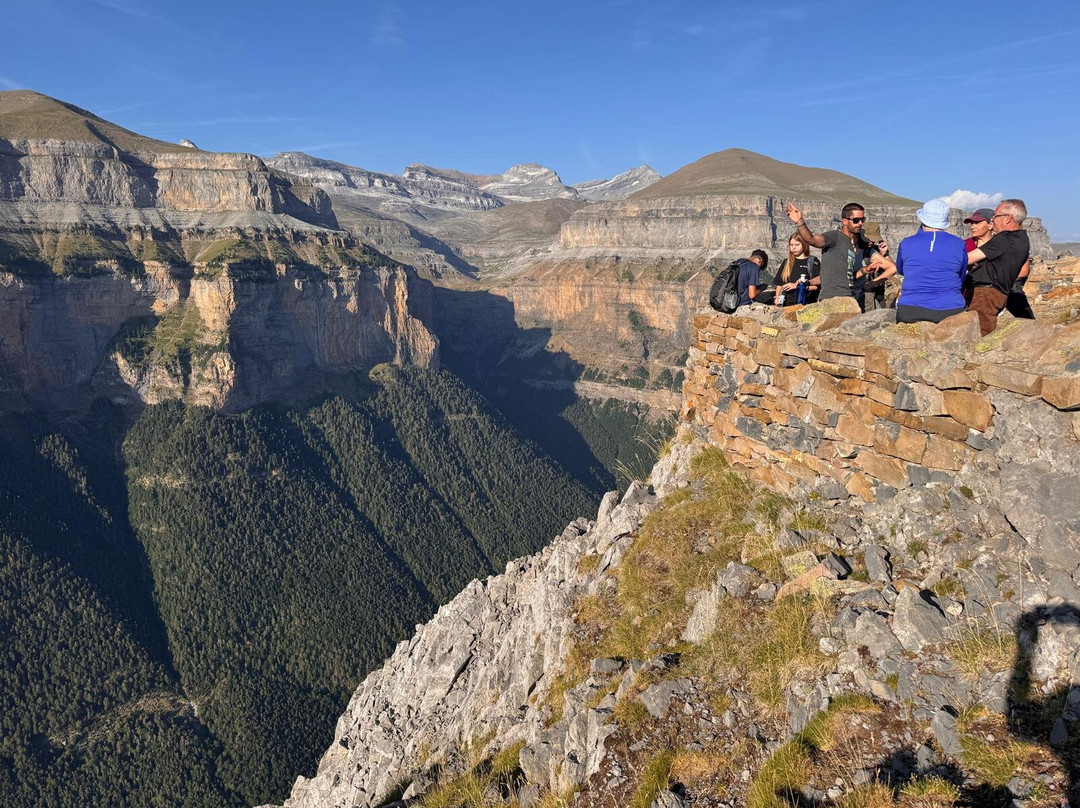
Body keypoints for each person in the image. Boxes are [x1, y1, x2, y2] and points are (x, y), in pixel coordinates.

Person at [866, 199, 967, 324]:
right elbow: (961, 276)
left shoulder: (906, 243)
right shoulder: (959, 244)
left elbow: (902, 270)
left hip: (911, 309)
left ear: (922, 219)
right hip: (950, 309)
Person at [965, 199, 1031, 335]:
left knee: (979, 333)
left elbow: (967, 258)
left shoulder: (1005, 239)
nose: (993, 220)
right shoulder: (1022, 239)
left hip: (984, 294)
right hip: (996, 294)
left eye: (995, 216)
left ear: (1008, 218)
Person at [785, 201, 871, 302]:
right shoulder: (835, 236)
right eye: (856, 220)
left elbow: (830, 276)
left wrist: (809, 282)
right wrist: (800, 222)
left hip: (848, 297)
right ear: (844, 221)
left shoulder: (849, 245)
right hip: (831, 299)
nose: (860, 223)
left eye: (862, 219)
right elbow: (811, 240)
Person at [771, 233, 819, 306]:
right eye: (791, 245)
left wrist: (798, 286)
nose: (793, 248)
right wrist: (777, 298)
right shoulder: (786, 262)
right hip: (786, 305)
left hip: (805, 305)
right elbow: (779, 284)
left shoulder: (813, 262)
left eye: (797, 245)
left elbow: (816, 287)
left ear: (804, 244)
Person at [854, 221, 890, 310]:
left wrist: (884, 254)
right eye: (869, 239)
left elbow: (892, 268)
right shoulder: (855, 249)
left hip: (872, 294)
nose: (872, 242)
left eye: (874, 240)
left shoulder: (874, 250)